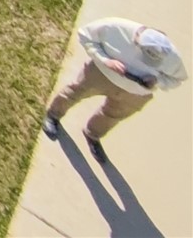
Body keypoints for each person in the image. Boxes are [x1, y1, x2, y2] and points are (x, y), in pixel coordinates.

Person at [43, 18, 186, 159]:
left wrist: (158, 80)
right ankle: (53, 116)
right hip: (102, 74)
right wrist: (106, 60)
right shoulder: (115, 27)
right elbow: (86, 35)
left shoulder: (171, 57)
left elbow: (177, 79)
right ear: (137, 39)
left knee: (113, 115)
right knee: (75, 93)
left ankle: (93, 134)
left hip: (136, 93)